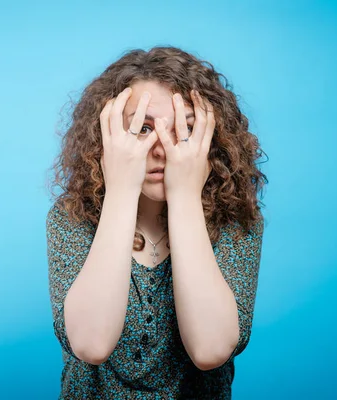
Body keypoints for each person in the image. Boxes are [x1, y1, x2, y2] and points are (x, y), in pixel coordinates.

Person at [46, 46, 267, 399]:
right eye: (142, 127)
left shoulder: (237, 222)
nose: (162, 147)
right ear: (106, 134)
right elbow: (90, 343)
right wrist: (121, 189)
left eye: (185, 128)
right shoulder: (70, 217)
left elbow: (210, 349)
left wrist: (184, 195)